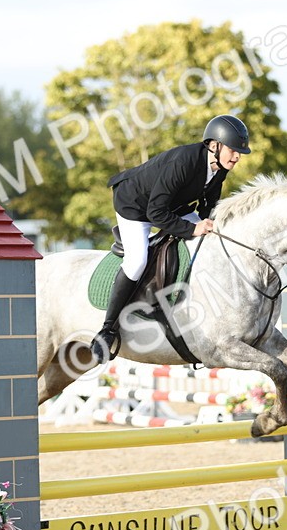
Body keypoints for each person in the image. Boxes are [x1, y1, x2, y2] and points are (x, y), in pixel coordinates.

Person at [89, 115, 251, 362]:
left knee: (210, 238)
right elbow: (155, 212)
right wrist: (191, 230)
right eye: (233, 150)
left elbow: (209, 206)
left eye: (239, 152)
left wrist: (209, 225)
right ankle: (107, 330)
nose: (237, 157)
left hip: (173, 206)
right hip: (136, 205)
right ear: (215, 145)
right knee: (137, 261)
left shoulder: (219, 168)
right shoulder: (183, 163)